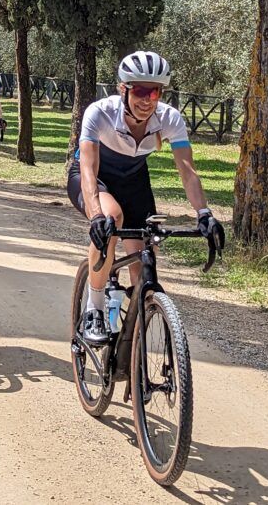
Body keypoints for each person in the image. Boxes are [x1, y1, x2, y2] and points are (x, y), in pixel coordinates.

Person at [68, 51, 225, 346]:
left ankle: (132, 349)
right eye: (139, 90)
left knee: (143, 264)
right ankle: (95, 307)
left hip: (134, 181)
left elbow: (187, 171)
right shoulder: (99, 113)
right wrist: (96, 215)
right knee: (112, 218)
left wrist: (204, 213)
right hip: (94, 177)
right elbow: (89, 169)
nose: (147, 99)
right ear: (122, 89)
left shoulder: (168, 118)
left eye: (154, 91)